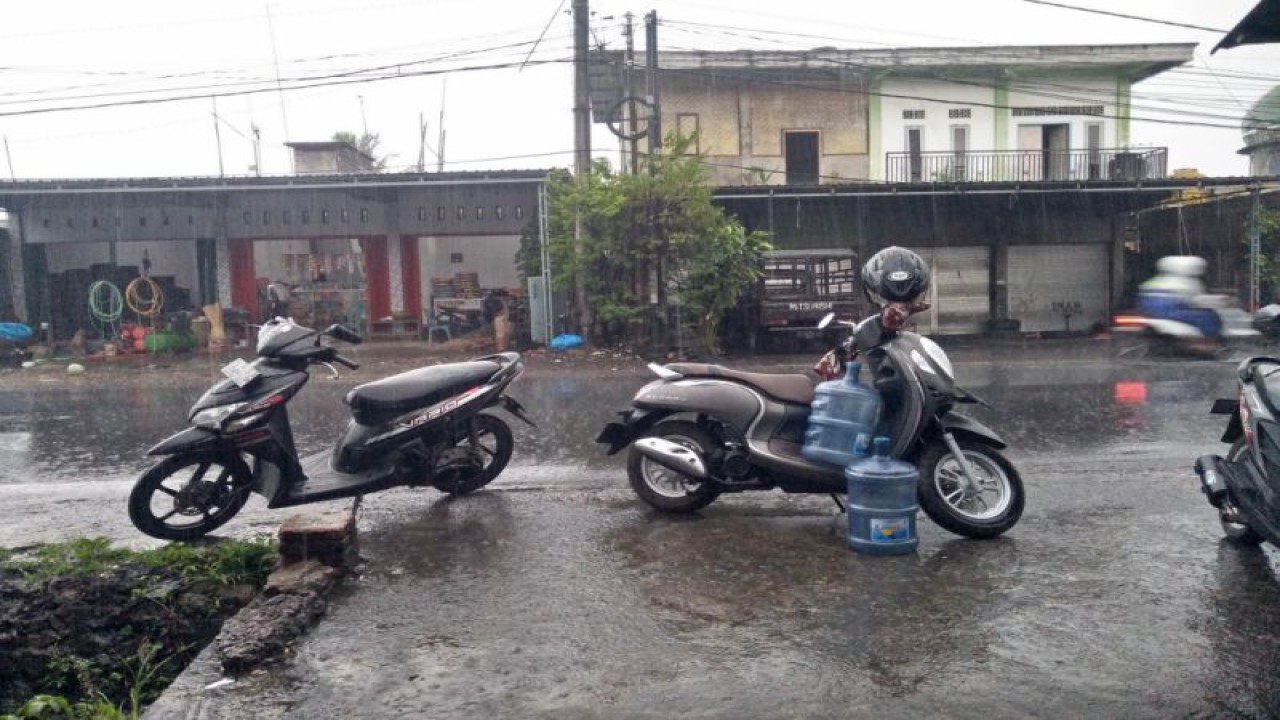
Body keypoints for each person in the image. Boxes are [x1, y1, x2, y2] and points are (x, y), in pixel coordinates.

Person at [1136, 256, 1222, 340]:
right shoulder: (1189, 282)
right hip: (1173, 313)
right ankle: (1208, 341)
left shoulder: (1154, 281)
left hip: (1150, 314)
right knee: (1209, 316)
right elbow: (1198, 301)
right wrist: (1219, 301)